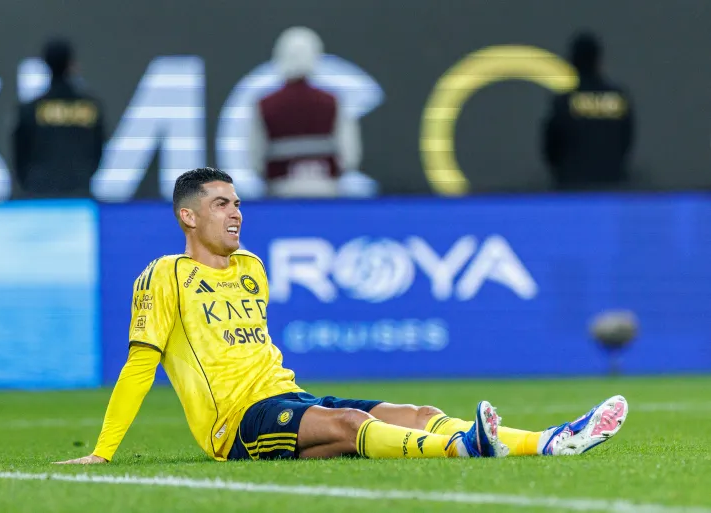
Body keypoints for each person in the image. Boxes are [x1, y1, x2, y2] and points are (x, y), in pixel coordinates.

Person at [55, 167, 628, 465]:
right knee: (355, 429)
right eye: (221, 204)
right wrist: (103, 450)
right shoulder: (163, 276)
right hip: (236, 425)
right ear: (187, 215)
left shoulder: (252, 267)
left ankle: (550, 442)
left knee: (416, 412)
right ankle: (468, 447)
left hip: (287, 398)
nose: (236, 214)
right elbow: (139, 366)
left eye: (237, 203)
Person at [247, 27, 372, 198]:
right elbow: (349, 155)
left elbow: (255, 157)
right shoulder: (332, 101)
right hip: (327, 188)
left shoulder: (265, 104)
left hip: (280, 191)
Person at [12, 38, 105, 198]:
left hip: (40, 193)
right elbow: (98, 150)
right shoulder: (90, 108)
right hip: (78, 193)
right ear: (72, 65)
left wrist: (31, 183)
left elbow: (20, 153)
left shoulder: (31, 109)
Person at [542, 32, 635, 191]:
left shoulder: (565, 102)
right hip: (612, 184)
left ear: (573, 62)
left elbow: (552, 147)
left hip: (572, 186)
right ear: (597, 60)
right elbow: (626, 140)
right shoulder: (617, 98)